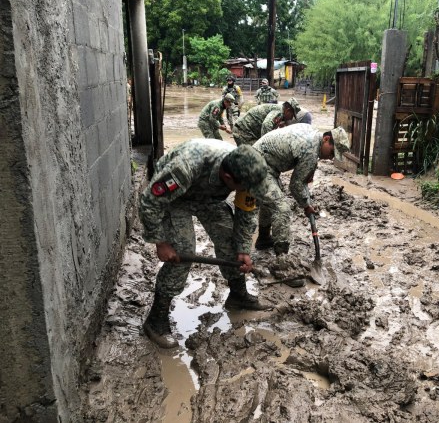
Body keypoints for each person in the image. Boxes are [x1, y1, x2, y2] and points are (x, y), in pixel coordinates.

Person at [139, 141, 273, 348]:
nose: (248, 190)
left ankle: (238, 295)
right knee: (183, 252)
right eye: (244, 187)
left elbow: (247, 213)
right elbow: (149, 201)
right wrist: (161, 242)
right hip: (176, 199)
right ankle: (156, 321)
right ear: (229, 178)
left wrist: (244, 249)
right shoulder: (184, 167)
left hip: (208, 199)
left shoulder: (246, 174)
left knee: (231, 241)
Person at [252, 125, 351, 283]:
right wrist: (306, 205)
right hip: (258, 165)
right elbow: (296, 185)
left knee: (271, 199)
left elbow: (303, 181)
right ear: (326, 139)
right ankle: (283, 265)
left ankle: (263, 238)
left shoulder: (312, 134)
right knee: (281, 208)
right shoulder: (311, 149)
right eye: (332, 152)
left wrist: (307, 202)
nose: (331, 158)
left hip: (264, 161)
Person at [232, 98, 301, 146]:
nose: (291, 118)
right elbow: (266, 125)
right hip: (243, 131)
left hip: (246, 131)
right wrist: (268, 145)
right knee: (255, 154)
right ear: (288, 110)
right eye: (292, 115)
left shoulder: (279, 111)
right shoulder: (279, 111)